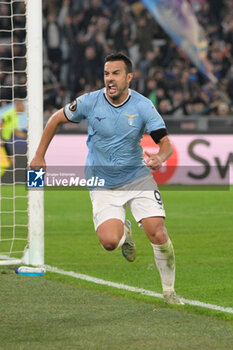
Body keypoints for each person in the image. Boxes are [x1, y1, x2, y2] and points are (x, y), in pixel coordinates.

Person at [30, 52, 184, 305]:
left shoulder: (143, 106)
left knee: (157, 231)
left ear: (129, 77)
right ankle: (124, 232)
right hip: (102, 180)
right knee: (110, 242)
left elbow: (165, 143)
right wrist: (39, 156)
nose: (109, 79)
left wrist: (160, 157)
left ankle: (169, 291)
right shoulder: (90, 102)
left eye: (116, 73)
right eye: (106, 74)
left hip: (136, 176)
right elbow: (55, 119)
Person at [0, 100, 27, 167]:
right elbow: (1, 123)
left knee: (11, 161)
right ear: (19, 106)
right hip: (2, 140)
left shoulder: (16, 117)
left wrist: (26, 136)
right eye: (23, 107)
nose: (24, 109)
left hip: (5, 140)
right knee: (7, 162)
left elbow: (15, 131)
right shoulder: (10, 113)